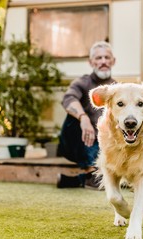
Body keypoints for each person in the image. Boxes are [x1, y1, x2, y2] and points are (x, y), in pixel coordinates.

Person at [57, 41, 116, 189]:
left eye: (106, 57)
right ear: (91, 62)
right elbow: (68, 99)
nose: (103, 61)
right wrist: (83, 118)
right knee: (74, 117)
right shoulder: (82, 82)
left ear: (113, 61)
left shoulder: (117, 88)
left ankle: (85, 179)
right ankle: (91, 171)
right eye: (98, 58)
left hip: (102, 144)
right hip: (77, 142)